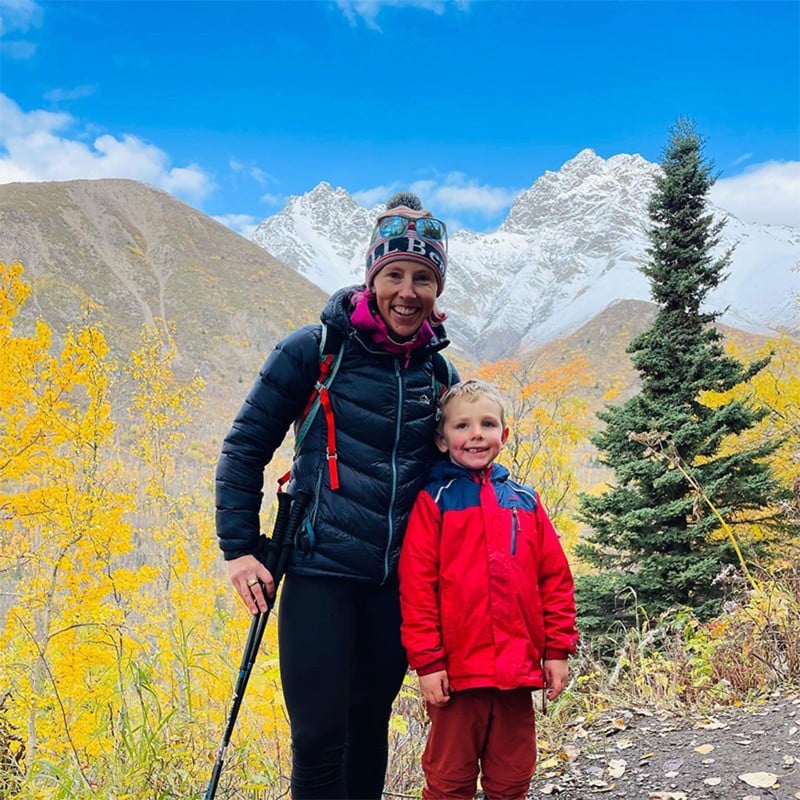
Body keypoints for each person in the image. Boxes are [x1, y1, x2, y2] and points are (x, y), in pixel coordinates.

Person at [214, 191, 459, 799]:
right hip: (319, 570)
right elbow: (245, 446)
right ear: (371, 276)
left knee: (368, 725)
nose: (407, 291)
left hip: (396, 582)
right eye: (394, 274)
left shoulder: (437, 373)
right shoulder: (317, 349)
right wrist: (240, 549)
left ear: (437, 289)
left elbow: (448, 480)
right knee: (320, 736)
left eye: (423, 278)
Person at [398, 378, 578, 800]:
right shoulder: (434, 501)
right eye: (462, 427)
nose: (476, 434)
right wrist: (427, 663)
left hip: (517, 673)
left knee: (513, 775)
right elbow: (417, 589)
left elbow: (554, 580)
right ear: (442, 441)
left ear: (504, 435)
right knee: (448, 778)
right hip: (457, 677)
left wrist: (556, 651)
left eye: (487, 424)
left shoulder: (525, 501)